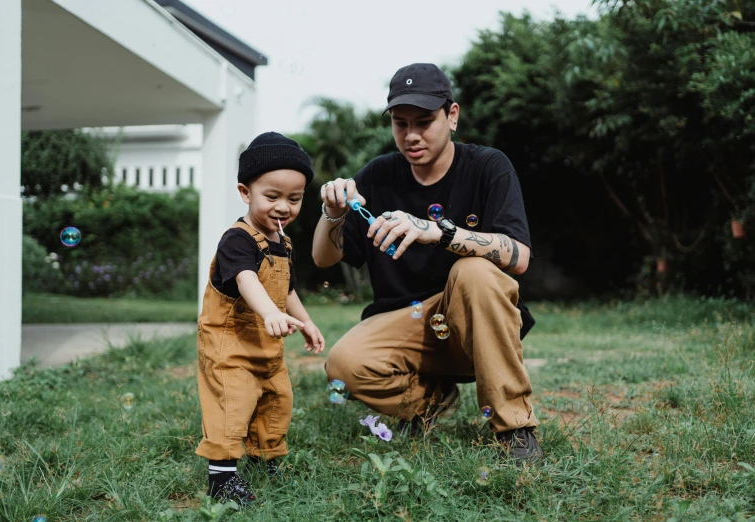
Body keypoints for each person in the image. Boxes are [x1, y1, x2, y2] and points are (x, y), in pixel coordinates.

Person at [312, 63, 543, 464]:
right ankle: (430, 401)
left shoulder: (488, 166)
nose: (411, 135)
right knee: (343, 364)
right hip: (409, 326)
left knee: (471, 271)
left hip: (476, 322)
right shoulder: (379, 176)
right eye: (400, 124)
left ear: (452, 116)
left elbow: (520, 256)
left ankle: (515, 428)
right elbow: (323, 258)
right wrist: (331, 213)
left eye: (424, 122)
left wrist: (440, 231)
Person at [196, 132, 326, 504]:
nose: (283, 206)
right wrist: (268, 311)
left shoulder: (283, 243)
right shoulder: (237, 239)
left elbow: (287, 291)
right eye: (272, 196)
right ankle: (221, 480)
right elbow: (246, 278)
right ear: (245, 192)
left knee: (276, 400)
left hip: (266, 347)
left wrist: (308, 322)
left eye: (294, 198)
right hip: (229, 345)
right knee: (232, 405)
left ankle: (264, 460)